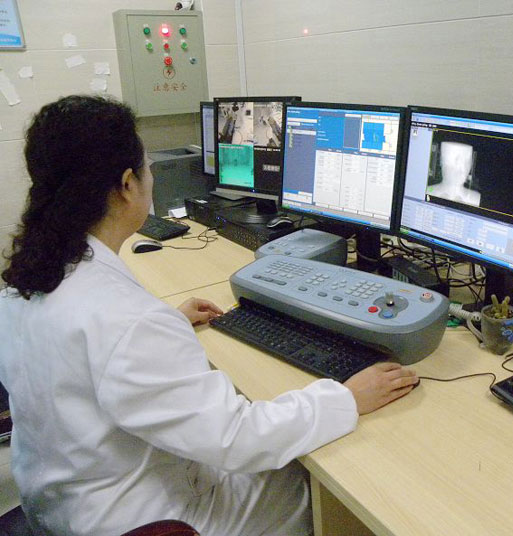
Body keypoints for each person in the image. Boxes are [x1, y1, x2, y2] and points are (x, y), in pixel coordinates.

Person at [0, 95, 419, 536]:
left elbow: (89, 352)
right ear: (126, 184)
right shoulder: (128, 321)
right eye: (146, 166)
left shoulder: (24, 283)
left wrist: (166, 327)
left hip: (61, 503)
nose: (151, 174)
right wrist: (346, 399)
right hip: (145, 519)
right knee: (313, 484)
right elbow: (238, 438)